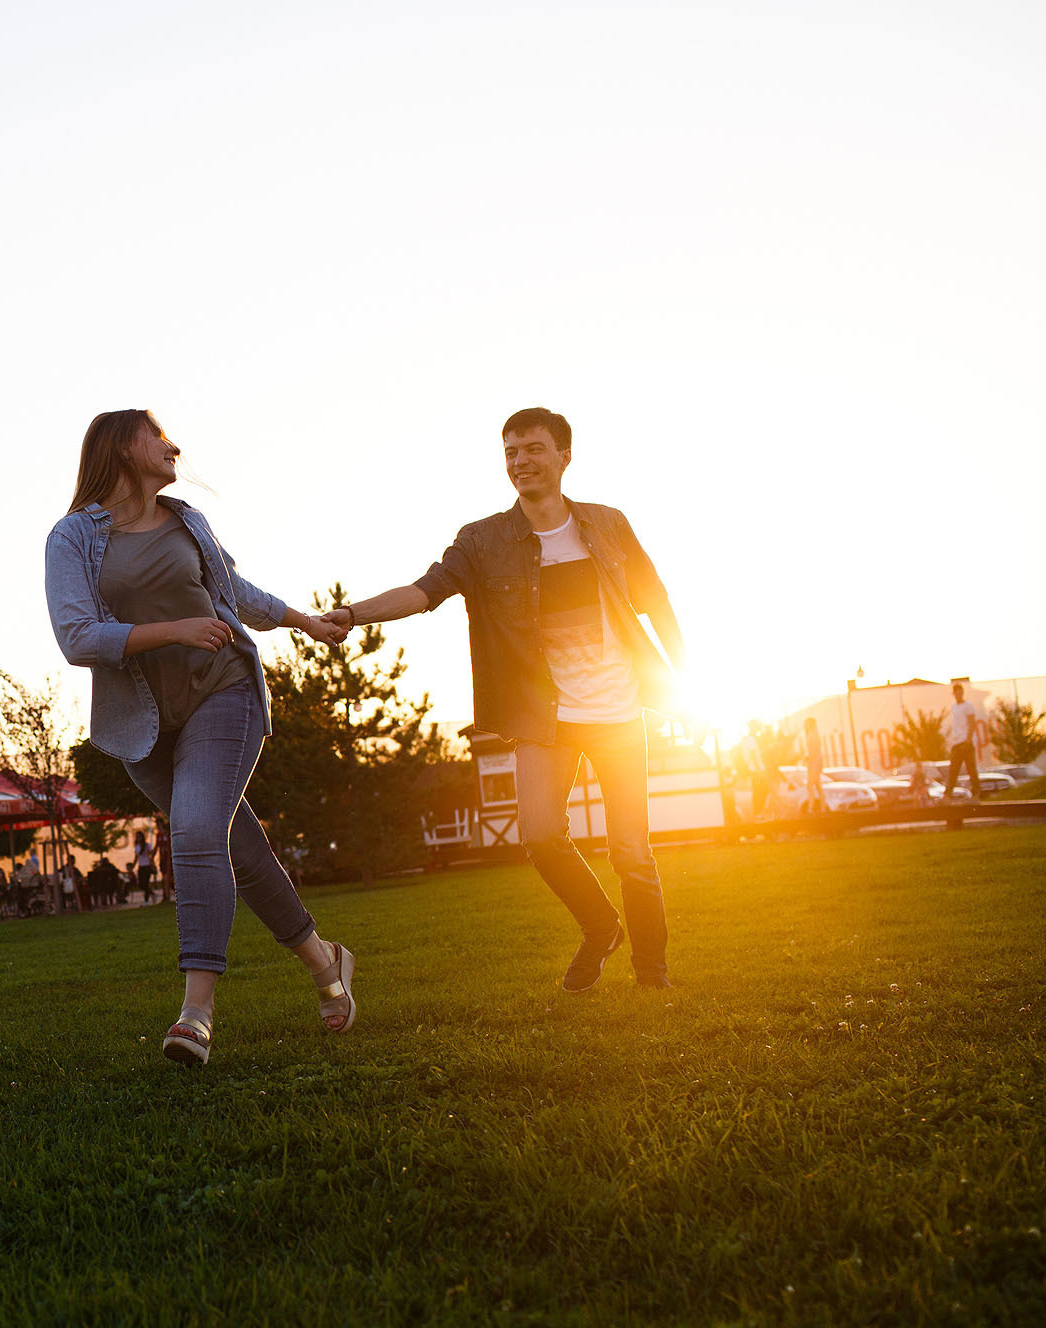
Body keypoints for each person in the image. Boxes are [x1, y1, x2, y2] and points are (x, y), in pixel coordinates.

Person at [329, 407, 687, 992]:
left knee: (631, 852)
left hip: (620, 713)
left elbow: (654, 599)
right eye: (510, 452)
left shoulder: (608, 524)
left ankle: (653, 977)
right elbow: (425, 592)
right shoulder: (483, 541)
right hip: (545, 718)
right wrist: (351, 613)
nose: (520, 462)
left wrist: (684, 679)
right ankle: (600, 929)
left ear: (564, 457)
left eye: (533, 449)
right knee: (541, 836)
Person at [45, 407, 356, 1066]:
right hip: (147, 725)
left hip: (225, 692)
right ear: (120, 447)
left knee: (192, 829)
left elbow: (232, 590)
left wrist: (304, 620)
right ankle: (328, 964)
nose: (172, 444)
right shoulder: (72, 538)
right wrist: (176, 630)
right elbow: (77, 637)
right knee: (240, 848)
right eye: (156, 435)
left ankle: (196, 1012)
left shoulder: (188, 520)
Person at [940, 682, 984, 801]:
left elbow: (972, 723)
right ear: (954, 694)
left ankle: (976, 794)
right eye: (956, 693)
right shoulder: (954, 707)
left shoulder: (968, 706)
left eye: (960, 692)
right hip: (957, 742)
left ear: (962, 693)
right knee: (953, 769)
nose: (958, 695)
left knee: (971, 769)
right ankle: (947, 795)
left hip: (966, 742)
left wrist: (968, 740)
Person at [802, 717, 827, 815]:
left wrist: (809, 760)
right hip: (816, 762)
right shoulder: (814, 735)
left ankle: (811, 808)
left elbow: (814, 751)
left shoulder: (811, 735)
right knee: (817, 786)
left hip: (813, 763)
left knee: (810, 785)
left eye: (807, 723)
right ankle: (822, 807)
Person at [132, 829, 156, 902]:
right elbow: (136, 857)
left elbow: (151, 854)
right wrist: (133, 865)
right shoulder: (136, 846)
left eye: (139, 837)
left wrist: (152, 863)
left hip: (147, 866)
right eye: (137, 837)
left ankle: (146, 900)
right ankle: (151, 893)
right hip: (141, 866)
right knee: (141, 884)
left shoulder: (147, 845)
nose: (138, 838)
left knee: (145, 883)